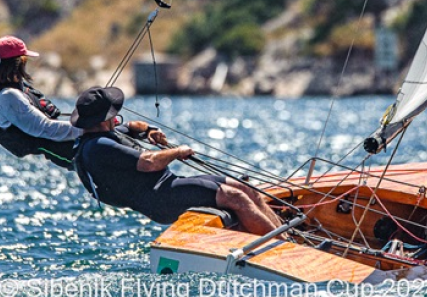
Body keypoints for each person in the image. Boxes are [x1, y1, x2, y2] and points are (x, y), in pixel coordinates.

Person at [71, 87, 284, 235]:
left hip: (168, 185)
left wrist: (150, 131)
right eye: (113, 114)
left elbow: (133, 126)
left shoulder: (108, 132)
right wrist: (177, 151)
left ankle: (286, 236)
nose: (117, 117)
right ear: (104, 119)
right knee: (234, 197)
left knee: (243, 187)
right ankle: (283, 248)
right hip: (158, 200)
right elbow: (149, 162)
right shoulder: (98, 146)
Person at [0, 36, 159, 170]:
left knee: (126, 133)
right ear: (18, 63)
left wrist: (103, 123)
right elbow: (46, 129)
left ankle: (144, 134)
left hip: (76, 140)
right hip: (66, 150)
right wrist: (90, 128)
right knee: (131, 156)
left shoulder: (16, 90)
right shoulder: (9, 97)